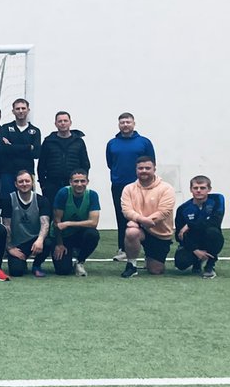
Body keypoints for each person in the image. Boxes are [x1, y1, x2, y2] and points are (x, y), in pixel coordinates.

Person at [106, 112, 156, 260]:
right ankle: (123, 248)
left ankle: (149, 249)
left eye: (128, 122)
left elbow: (150, 162)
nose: (125, 125)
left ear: (134, 124)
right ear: (118, 125)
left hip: (142, 186)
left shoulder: (144, 142)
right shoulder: (112, 143)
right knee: (122, 216)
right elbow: (110, 163)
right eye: (122, 122)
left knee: (144, 215)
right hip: (119, 185)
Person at [120, 157, 176, 279]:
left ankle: (149, 258)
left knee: (156, 270)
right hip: (140, 229)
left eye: (147, 168)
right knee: (131, 231)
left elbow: (163, 212)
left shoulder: (166, 188)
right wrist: (142, 221)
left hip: (160, 233)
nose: (144, 171)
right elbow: (127, 211)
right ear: (136, 170)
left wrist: (142, 221)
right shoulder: (128, 189)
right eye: (140, 168)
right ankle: (131, 265)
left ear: (154, 169)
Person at [51, 169, 101, 277]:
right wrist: (59, 244)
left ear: (87, 182)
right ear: (70, 182)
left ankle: (80, 261)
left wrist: (69, 223)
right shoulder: (63, 193)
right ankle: (68, 253)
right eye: (76, 181)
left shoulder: (92, 195)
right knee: (63, 271)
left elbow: (94, 223)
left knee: (93, 234)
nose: (79, 184)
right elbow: (57, 223)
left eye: (82, 181)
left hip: (79, 234)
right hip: (63, 236)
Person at [2, 170, 52, 278]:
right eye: (21, 182)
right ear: (16, 184)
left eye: (27, 181)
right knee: (16, 272)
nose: (24, 184)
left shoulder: (41, 200)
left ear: (32, 182)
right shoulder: (9, 200)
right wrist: (10, 248)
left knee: (47, 242)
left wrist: (39, 240)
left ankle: (37, 265)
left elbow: (45, 224)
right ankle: (21, 263)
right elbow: (6, 226)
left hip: (34, 241)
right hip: (17, 243)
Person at [174, 175, 225, 280]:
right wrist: (195, 250)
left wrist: (190, 225)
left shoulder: (217, 200)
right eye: (195, 188)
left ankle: (210, 266)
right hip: (193, 242)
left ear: (209, 189)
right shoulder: (183, 209)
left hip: (210, 238)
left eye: (202, 188)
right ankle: (197, 261)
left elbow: (215, 222)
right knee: (181, 263)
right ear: (190, 189)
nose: (198, 191)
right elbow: (179, 235)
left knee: (213, 232)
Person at [38, 111, 90, 207]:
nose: (63, 123)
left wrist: (81, 182)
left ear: (70, 122)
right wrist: (43, 185)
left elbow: (85, 164)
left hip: (73, 185)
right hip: (52, 185)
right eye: (60, 121)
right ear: (55, 123)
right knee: (53, 214)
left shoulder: (78, 142)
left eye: (65, 120)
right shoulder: (48, 142)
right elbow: (41, 165)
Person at [0, 99, 40, 196]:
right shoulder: (5, 128)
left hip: (28, 173)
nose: (20, 111)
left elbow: (36, 154)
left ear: (28, 110)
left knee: (28, 203)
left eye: (23, 108)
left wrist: (12, 147)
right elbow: (3, 150)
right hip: (8, 172)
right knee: (7, 203)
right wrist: (28, 147)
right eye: (18, 108)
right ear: (13, 111)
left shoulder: (35, 131)